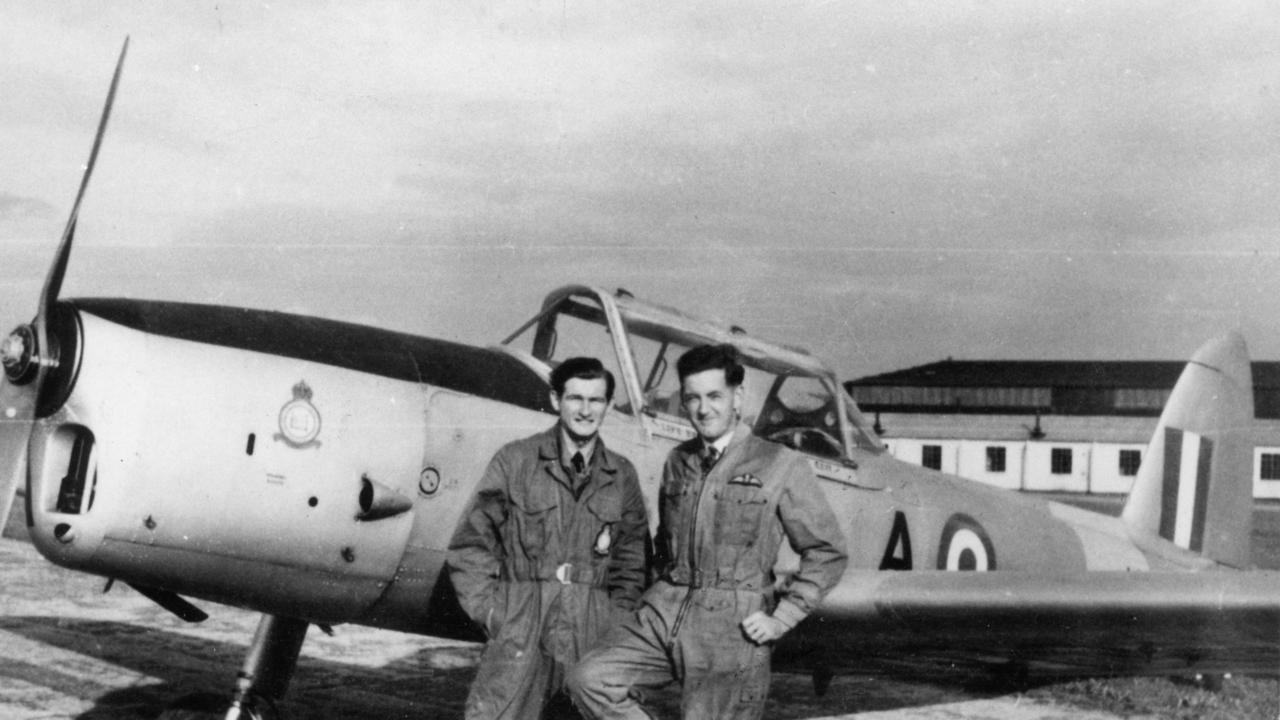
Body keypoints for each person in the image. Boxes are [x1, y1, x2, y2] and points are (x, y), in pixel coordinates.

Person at [568, 344, 848, 719]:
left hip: (732, 626)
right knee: (590, 679)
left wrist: (783, 617)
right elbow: (663, 544)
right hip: (664, 608)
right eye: (692, 398)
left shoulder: (780, 463)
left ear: (738, 397)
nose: (703, 409)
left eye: (715, 396)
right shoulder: (678, 461)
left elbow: (827, 551)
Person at [447, 356, 649, 720]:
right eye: (575, 399)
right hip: (523, 626)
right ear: (557, 400)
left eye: (596, 400)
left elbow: (632, 565)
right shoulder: (517, 461)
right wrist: (496, 614)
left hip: (591, 632)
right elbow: (471, 544)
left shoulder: (622, 476)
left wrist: (613, 626)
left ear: (607, 405)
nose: (585, 410)